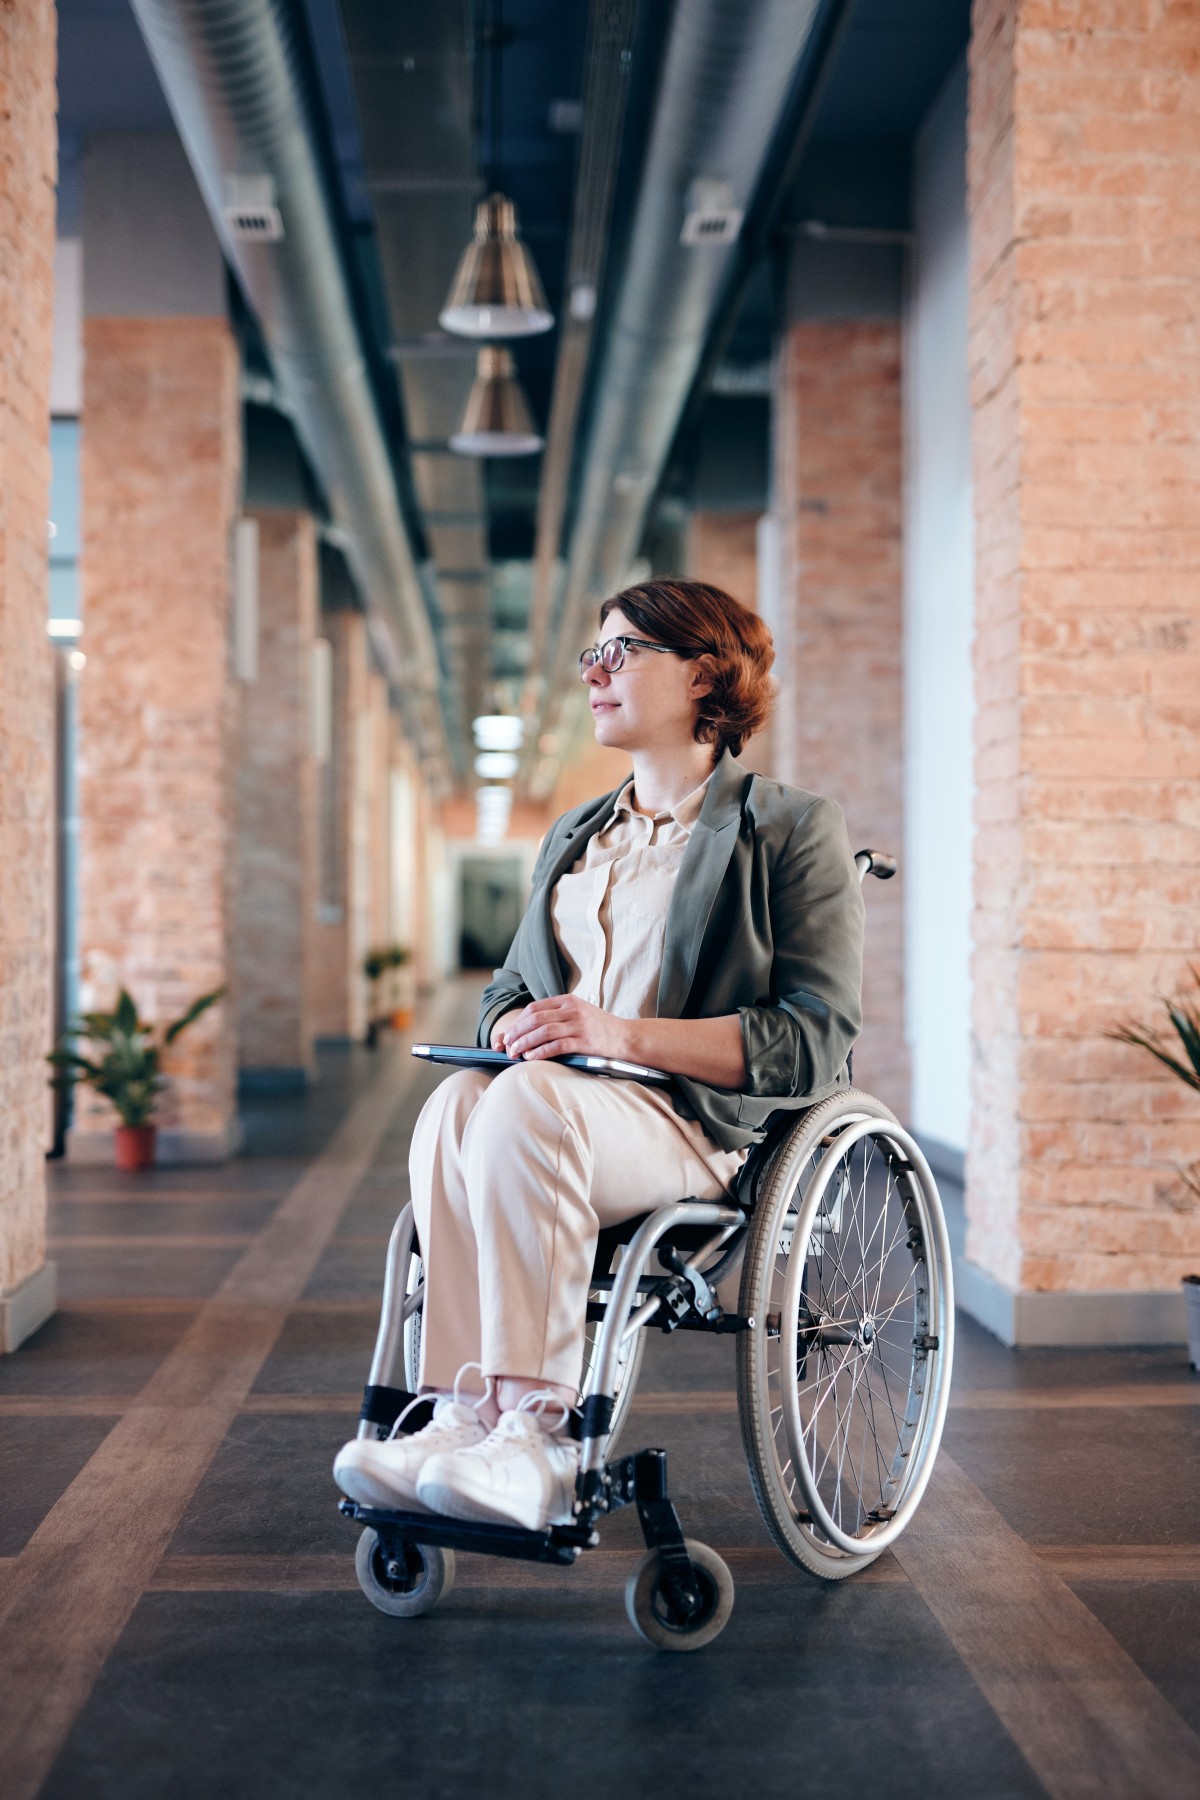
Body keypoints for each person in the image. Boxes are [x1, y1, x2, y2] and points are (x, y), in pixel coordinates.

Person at [334, 578, 864, 1533]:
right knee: (459, 1101)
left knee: (522, 1105)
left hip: (688, 1124)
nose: (595, 671)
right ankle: (463, 1412)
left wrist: (618, 1036)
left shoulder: (787, 829)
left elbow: (815, 1040)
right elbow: (510, 983)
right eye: (592, 654)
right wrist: (507, 1025)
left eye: (621, 651)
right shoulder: (577, 834)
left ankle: (537, 1433)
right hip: (553, 1110)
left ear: (703, 674)